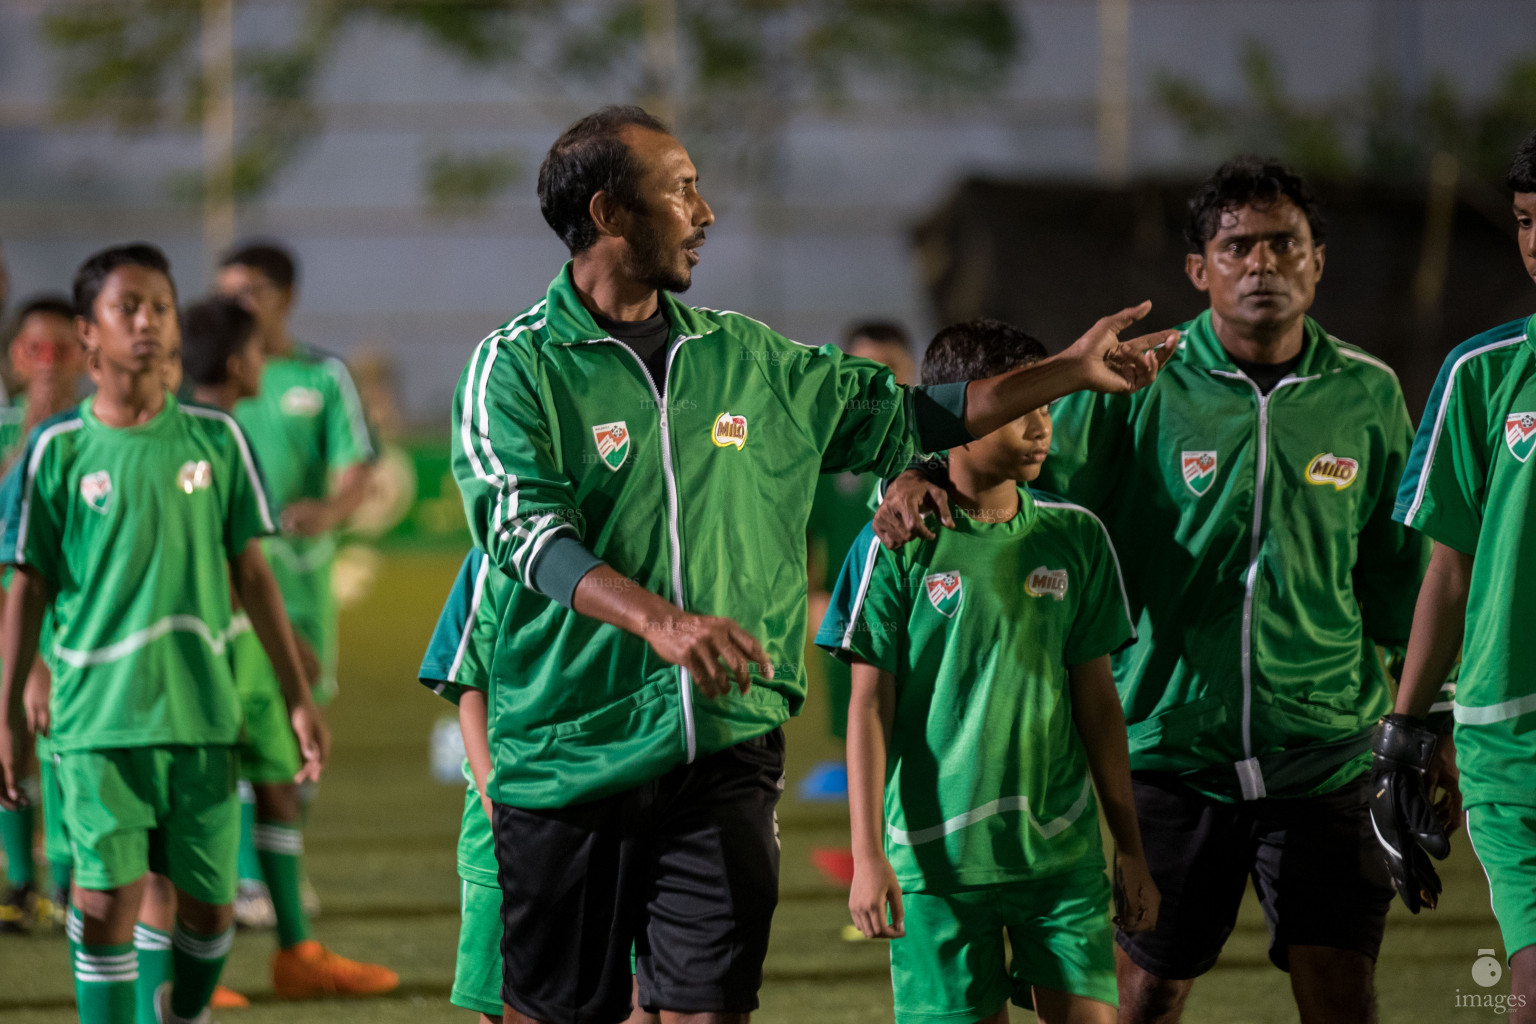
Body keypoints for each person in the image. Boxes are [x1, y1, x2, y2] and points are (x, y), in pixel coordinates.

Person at [452, 103, 1174, 1024]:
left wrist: (1071, 371)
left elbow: (915, 414)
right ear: (607, 213)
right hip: (571, 752)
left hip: (726, 743)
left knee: (711, 1008)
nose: (705, 211)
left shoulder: (749, 358)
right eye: (681, 190)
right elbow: (523, 531)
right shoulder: (514, 368)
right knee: (559, 1013)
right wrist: (660, 623)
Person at [876, 157, 1427, 1024]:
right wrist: (918, 470)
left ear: (1319, 260)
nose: (1262, 264)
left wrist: (1421, 714)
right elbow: (1013, 469)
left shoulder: (1369, 392)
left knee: (1340, 990)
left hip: (1326, 751)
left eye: (1285, 244)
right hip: (1173, 751)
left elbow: (1399, 571)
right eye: (1236, 246)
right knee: (1147, 993)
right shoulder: (1136, 381)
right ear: (1198, 271)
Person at [0, 243, 328, 1024]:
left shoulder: (216, 442)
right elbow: (26, 588)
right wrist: (9, 709)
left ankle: (180, 1012)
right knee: (106, 897)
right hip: (96, 722)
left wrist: (295, 695)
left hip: (201, 716)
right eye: (127, 308)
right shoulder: (59, 450)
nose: (147, 322)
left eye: (160, 306)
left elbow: (252, 575)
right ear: (89, 334)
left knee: (208, 911)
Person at [816, 319, 1157, 1024]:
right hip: (937, 868)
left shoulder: (1076, 537)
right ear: (963, 414)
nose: (1040, 426)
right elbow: (868, 709)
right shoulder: (896, 542)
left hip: (1059, 860)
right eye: (1018, 407)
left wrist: (1128, 845)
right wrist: (868, 856)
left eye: (1048, 405)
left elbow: (1098, 705)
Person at [176, 294, 397, 1000]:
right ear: (242, 362)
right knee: (191, 808)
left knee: (274, 785)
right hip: (196, 656)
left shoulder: (228, 434)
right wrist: (288, 650)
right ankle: (181, 973)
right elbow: (225, 563)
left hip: (245, 651)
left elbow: (247, 559)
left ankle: (297, 951)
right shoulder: (188, 437)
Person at [1383, 128, 1536, 1023]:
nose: (1535, 243)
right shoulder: (1481, 373)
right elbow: (1449, 568)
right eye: (1523, 220)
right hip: (1506, 736)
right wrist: (1405, 727)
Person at [217, 240, 375, 925]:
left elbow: (357, 467)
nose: (236, 304)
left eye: (248, 290)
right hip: (229, 585)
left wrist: (329, 511)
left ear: (286, 296)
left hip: (303, 581)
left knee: (304, 714)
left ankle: (276, 859)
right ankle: (252, 880)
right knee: (244, 718)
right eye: (228, 291)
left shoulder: (321, 376)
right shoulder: (211, 379)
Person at [0, 293, 87, 933]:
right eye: (36, 348)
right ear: (15, 358)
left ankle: (62, 887)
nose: (48, 362)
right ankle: (20, 883)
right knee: (11, 745)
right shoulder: (7, 432)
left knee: (61, 748)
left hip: (69, 626)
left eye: (62, 349)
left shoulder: (93, 432)